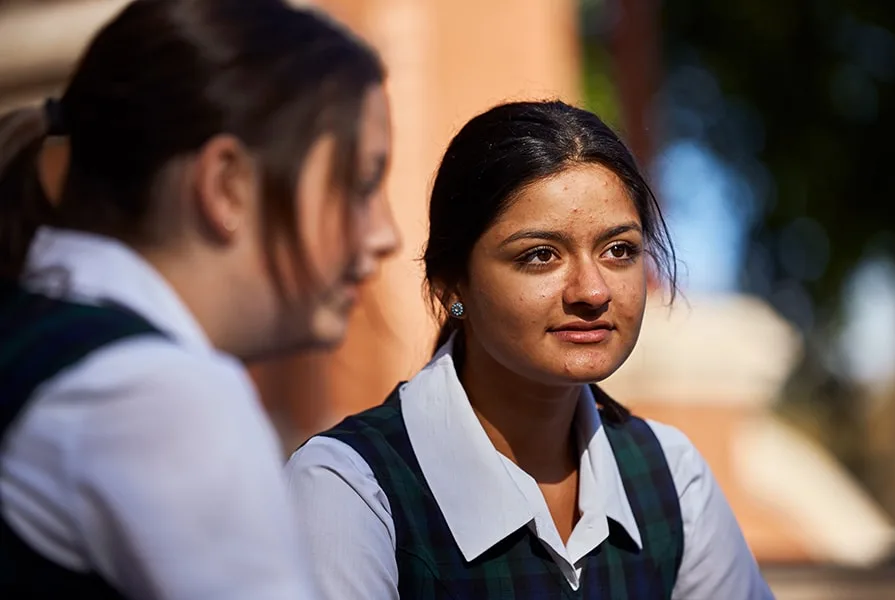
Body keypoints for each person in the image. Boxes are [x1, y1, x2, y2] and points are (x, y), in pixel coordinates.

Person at [286, 100, 775, 599]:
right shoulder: (352, 490)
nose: (592, 290)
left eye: (619, 250)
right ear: (452, 287)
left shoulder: (669, 479)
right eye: (540, 255)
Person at [0, 0, 399, 598]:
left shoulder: (41, 324)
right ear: (227, 185)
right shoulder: (157, 393)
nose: (385, 234)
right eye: (360, 185)